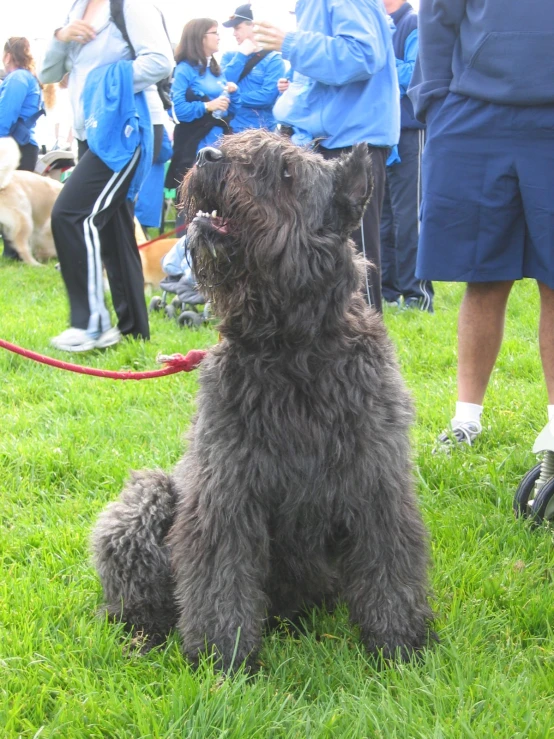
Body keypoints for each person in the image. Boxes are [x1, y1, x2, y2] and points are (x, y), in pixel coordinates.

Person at [409, 0, 554, 448]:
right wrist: (434, 101)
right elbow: (437, 18)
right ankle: (466, 419)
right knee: (484, 275)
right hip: (474, 116)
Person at [39, 0, 173, 352]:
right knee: (114, 230)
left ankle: (92, 324)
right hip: (92, 132)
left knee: (72, 214)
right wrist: (61, 36)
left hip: (127, 127)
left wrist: (107, 85)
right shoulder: (75, 9)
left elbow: (160, 61)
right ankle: (134, 333)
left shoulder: (131, 6)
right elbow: (49, 73)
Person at [255, 0, 400, 313]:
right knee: (317, 260)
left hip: (348, 144)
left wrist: (290, 43)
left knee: (353, 262)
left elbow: (363, 55)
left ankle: (369, 354)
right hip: (327, 138)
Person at [379, 0, 433, 313]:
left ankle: (417, 296)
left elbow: (416, 74)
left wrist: (382, 62)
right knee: (383, 219)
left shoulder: (412, 22)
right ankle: (388, 293)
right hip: (383, 135)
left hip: (409, 133)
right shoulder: (376, 24)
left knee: (409, 218)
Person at [165, 18, 240, 196]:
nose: (219, 37)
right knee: (193, 199)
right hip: (194, 147)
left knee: (218, 201)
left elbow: (231, 112)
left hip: (220, 145)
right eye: (214, 33)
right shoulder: (183, 69)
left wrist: (234, 93)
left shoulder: (216, 70)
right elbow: (177, 111)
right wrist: (207, 106)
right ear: (199, 37)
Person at [0, 37, 44, 260]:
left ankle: (14, 252)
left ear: (8, 55)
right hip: (23, 146)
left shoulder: (17, 78)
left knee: (9, 201)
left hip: (13, 148)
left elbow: (4, 118)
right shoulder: (29, 77)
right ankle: (15, 251)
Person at [220, 4, 284, 133]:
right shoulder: (230, 56)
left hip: (261, 133)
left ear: (253, 26)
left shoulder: (274, 59)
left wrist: (234, 98)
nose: (234, 33)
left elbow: (267, 97)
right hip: (231, 129)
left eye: (237, 28)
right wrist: (241, 56)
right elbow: (222, 85)